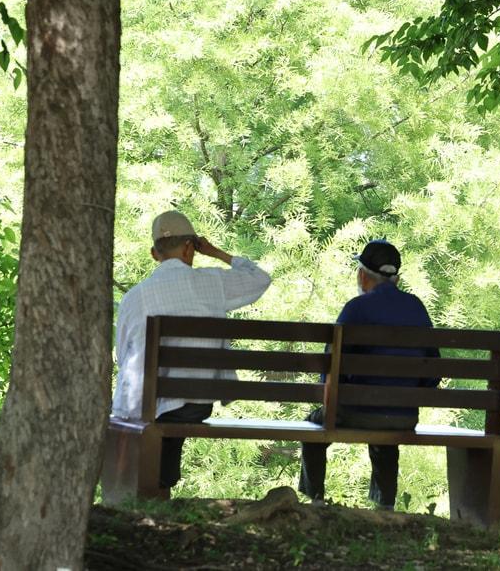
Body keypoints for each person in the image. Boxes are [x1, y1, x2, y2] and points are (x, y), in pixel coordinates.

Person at [111, 209, 271, 492]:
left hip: (148, 405)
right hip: (196, 404)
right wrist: (216, 252)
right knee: (174, 411)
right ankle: (162, 484)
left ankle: (154, 489)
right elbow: (260, 278)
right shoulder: (214, 284)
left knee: (149, 410)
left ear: (153, 254)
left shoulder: (135, 297)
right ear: (190, 248)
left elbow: (124, 358)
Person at [298, 239, 438, 510]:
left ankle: (315, 499)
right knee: (386, 425)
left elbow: (330, 370)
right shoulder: (417, 309)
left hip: (356, 413)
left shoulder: (356, 309)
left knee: (312, 426)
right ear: (397, 278)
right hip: (403, 418)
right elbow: (432, 372)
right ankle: (384, 505)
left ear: (363, 275)